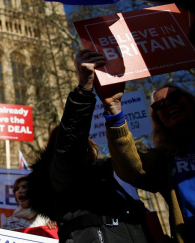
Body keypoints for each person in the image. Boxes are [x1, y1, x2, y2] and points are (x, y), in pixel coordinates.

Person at [27, 50, 152, 242]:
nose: (86, 143)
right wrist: (84, 90)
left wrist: (114, 109)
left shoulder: (112, 172)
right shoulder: (58, 176)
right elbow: (69, 146)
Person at [101, 79, 195, 242]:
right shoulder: (164, 159)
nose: (168, 104)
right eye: (159, 105)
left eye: (175, 97)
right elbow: (133, 168)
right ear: (158, 119)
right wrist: (114, 113)